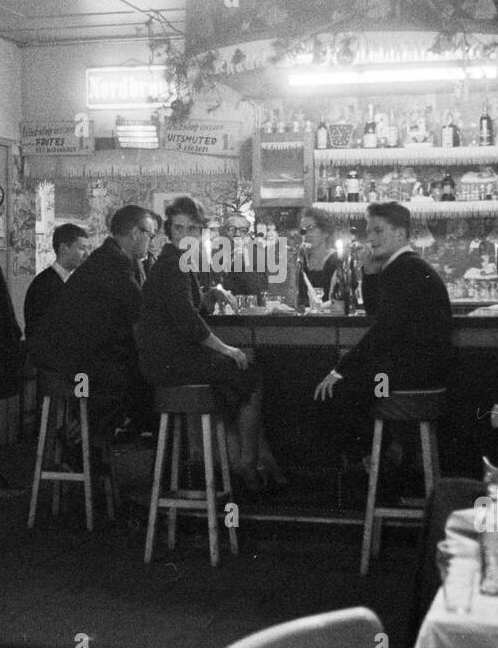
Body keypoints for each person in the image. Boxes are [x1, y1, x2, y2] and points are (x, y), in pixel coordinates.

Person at [137, 197, 287, 494]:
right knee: (249, 373)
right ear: (169, 230)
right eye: (180, 227)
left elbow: (187, 310)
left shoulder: (178, 261)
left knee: (237, 372)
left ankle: (239, 460)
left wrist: (208, 297)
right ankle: (246, 461)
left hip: (166, 360)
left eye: (193, 228)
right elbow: (187, 323)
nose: (186, 233)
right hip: (171, 363)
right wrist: (227, 349)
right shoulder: (174, 264)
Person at [312, 202, 455, 466]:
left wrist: (340, 369)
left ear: (400, 234)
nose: (370, 237)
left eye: (378, 231)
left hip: (409, 378)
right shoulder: (403, 265)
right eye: (369, 231)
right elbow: (376, 312)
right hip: (416, 373)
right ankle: (381, 454)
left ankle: (381, 458)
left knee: (335, 392)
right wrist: (368, 271)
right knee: (350, 390)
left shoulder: (405, 268)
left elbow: (383, 330)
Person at [28, 206, 155, 440]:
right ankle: (78, 444)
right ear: (136, 233)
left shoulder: (111, 258)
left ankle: (92, 446)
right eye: (150, 234)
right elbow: (142, 311)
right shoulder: (114, 262)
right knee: (129, 379)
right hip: (66, 366)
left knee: (131, 374)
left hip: (67, 356)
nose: (152, 241)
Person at [24, 223, 90, 340]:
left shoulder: (70, 281)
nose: (87, 254)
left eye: (88, 249)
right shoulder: (44, 285)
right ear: (64, 249)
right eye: (81, 248)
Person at [297, 208, 342, 305]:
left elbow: (339, 300)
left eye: (311, 228)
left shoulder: (338, 259)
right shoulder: (300, 260)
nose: (306, 235)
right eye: (303, 231)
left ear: (325, 232)